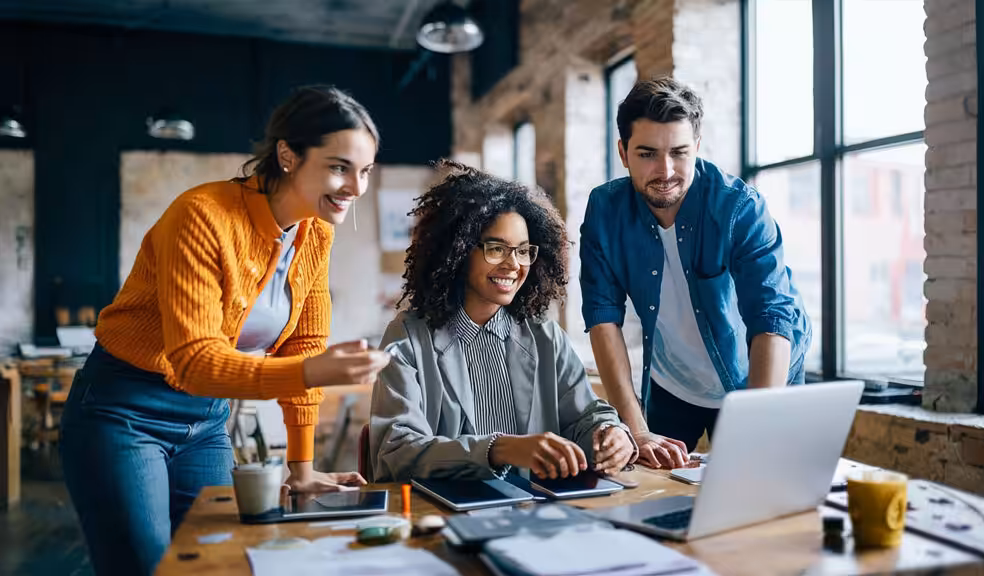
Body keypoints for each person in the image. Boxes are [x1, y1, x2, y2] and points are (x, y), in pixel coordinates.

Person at [60, 85, 392, 576]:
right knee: (145, 567)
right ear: (287, 155)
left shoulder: (316, 233)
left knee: (217, 559)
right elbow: (194, 361)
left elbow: (305, 343)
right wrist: (308, 371)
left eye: (364, 171)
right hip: (122, 412)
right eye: (339, 167)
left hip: (206, 420)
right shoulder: (202, 216)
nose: (356, 187)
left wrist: (301, 469)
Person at [580, 78, 811, 469]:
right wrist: (637, 431)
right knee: (653, 492)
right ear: (623, 152)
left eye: (680, 153)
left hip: (755, 380)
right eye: (648, 153)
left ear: (697, 148)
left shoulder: (740, 208)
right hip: (672, 384)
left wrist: (756, 429)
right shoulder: (605, 211)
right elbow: (603, 320)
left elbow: (771, 318)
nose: (665, 170)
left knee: (756, 489)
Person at [369, 161, 637, 482]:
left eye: (523, 251)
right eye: (497, 248)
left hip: (538, 514)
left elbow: (585, 415)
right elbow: (397, 452)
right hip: (448, 516)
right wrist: (498, 449)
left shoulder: (545, 335)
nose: (514, 264)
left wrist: (611, 434)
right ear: (458, 250)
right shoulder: (408, 337)